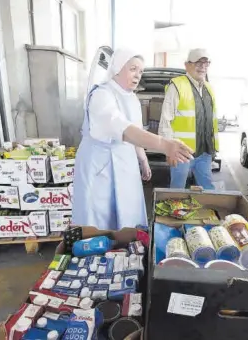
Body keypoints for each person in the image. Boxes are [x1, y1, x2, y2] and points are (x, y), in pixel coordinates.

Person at [72, 48, 193, 230]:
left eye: (141, 71)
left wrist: (143, 159)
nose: (138, 75)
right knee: (99, 216)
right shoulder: (102, 95)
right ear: (118, 68)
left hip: (124, 159)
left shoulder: (132, 98)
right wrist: (164, 145)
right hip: (98, 164)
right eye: (133, 69)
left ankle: (127, 249)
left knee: (127, 211)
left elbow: (135, 131)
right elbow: (123, 129)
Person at [158, 48, 219, 189]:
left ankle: (208, 212)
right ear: (187, 65)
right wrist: (169, 149)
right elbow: (165, 121)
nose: (203, 67)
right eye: (198, 63)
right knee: (177, 191)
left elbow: (212, 121)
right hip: (181, 153)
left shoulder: (209, 89)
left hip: (205, 152)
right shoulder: (177, 86)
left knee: (208, 190)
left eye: (206, 63)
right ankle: (175, 211)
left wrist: (214, 147)